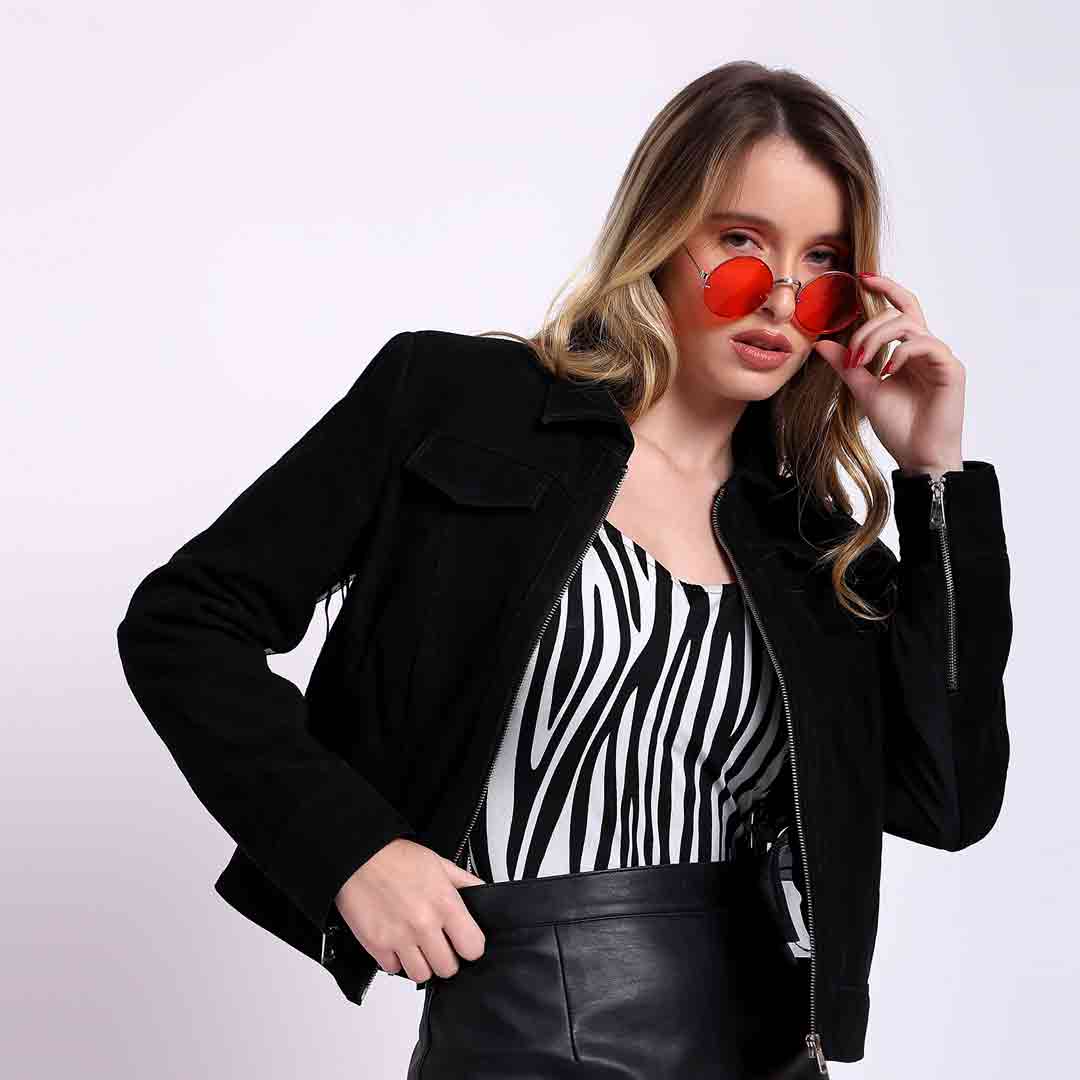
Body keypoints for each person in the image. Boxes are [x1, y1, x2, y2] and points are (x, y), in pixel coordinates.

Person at [117, 61, 1012, 1079]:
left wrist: (934, 476)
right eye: (740, 245)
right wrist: (352, 851)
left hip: (768, 1042)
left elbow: (946, 801)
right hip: (525, 1035)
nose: (778, 300)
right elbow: (184, 622)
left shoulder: (812, 546)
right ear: (661, 233)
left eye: (822, 266)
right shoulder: (459, 403)